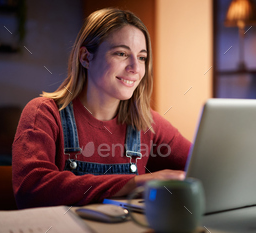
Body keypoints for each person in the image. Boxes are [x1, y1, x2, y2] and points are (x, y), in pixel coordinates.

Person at [12, 8, 191, 209]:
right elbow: (31, 191)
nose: (135, 67)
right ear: (86, 58)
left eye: (141, 57)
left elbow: (204, 167)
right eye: (121, 53)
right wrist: (134, 183)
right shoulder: (44, 113)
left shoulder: (148, 122)